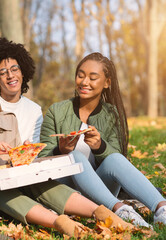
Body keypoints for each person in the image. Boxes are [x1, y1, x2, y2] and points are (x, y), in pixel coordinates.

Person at [0, 62, 134, 237]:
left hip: (12, 185)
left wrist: (23, 155)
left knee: (39, 182)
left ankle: (102, 213)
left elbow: (16, 166)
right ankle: (61, 223)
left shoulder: (8, 119)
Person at [39, 52, 166, 228]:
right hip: (69, 193)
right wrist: (60, 151)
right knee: (74, 156)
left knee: (114, 158)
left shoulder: (111, 114)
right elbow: (42, 157)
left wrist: (100, 147)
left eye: (93, 78)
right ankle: (121, 210)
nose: (84, 82)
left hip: (101, 190)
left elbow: (118, 162)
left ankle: (161, 209)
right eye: (80, 75)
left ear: (107, 83)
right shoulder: (56, 111)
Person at [0, 37, 42, 143]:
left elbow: (35, 151)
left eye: (14, 69)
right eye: (3, 72)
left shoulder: (35, 111)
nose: (10, 75)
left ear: (22, 72)